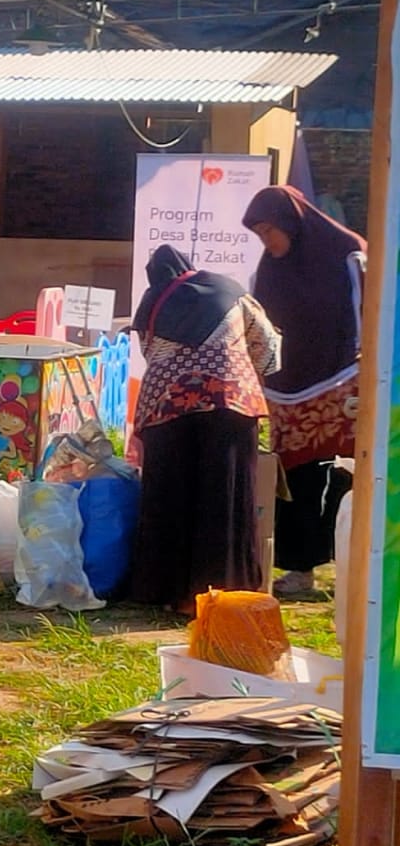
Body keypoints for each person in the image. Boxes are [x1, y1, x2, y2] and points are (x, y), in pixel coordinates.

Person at [129, 245, 282, 615]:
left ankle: (167, 592)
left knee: (172, 496)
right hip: (229, 400)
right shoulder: (228, 290)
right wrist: (254, 367)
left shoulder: (151, 304)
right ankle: (223, 593)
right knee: (223, 496)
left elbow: (151, 354)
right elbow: (267, 347)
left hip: (167, 405)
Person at [242, 186, 366, 597]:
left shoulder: (346, 254)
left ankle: (354, 560)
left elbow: (366, 312)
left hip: (341, 382)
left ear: (290, 221)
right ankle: (299, 568)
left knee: (351, 470)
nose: (266, 241)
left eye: (269, 231)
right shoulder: (269, 269)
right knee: (294, 479)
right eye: (259, 234)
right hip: (286, 391)